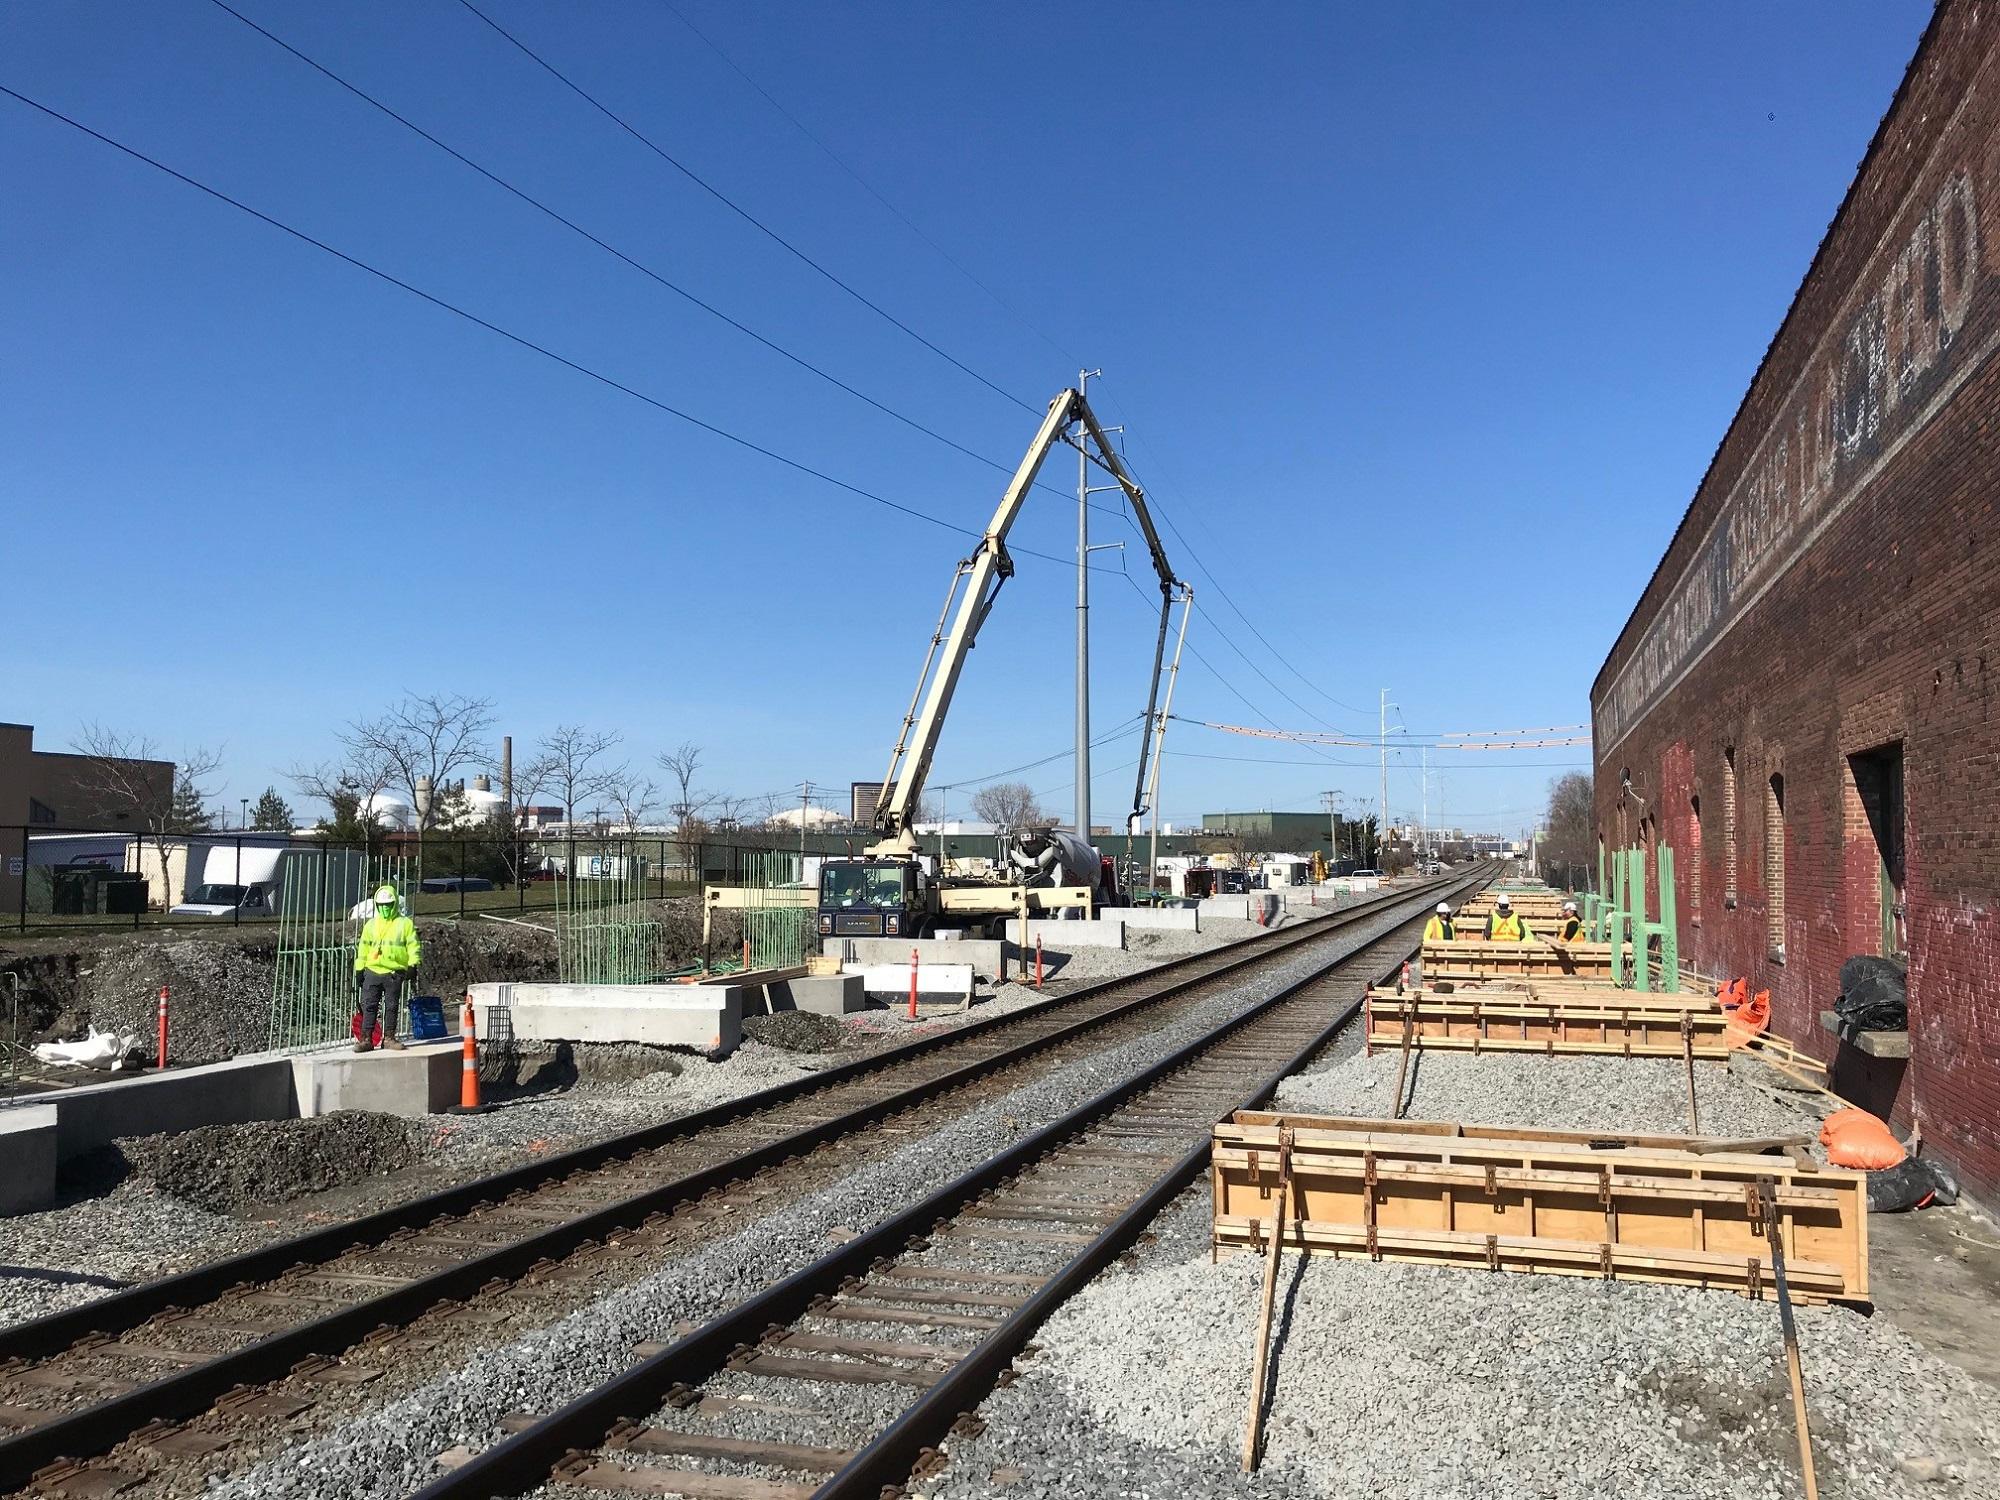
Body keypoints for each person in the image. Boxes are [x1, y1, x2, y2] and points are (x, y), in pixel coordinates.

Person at [354, 883, 421, 1053]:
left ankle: (389, 1038)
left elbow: (413, 945)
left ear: (394, 904)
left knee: (391, 1006)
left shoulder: (404, 924)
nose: (385, 908)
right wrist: (359, 969)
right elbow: (363, 948)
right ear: (377, 905)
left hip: (394, 972)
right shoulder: (371, 925)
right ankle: (366, 1039)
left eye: (388, 905)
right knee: (369, 1006)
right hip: (372, 970)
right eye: (382, 905)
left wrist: (413, 964)